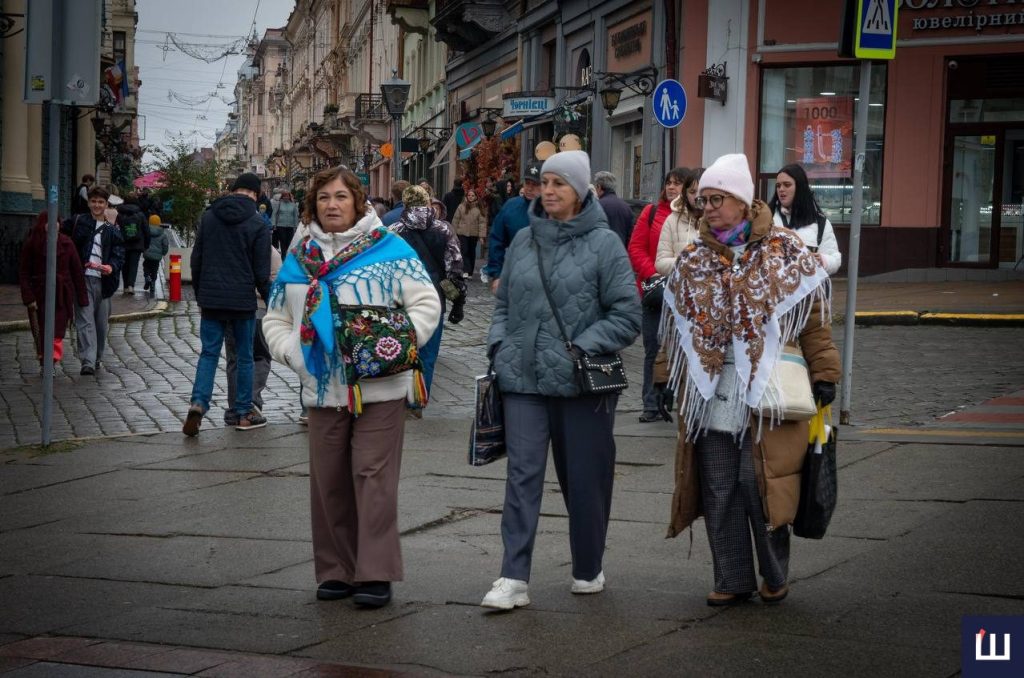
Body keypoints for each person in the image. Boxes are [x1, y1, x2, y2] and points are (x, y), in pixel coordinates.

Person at [659, 153, 840, 607]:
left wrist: (826, 374)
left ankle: (774, 574)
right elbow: (675, 325)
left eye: (717, 198)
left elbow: (814, 318)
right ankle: (732, 577)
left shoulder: (785, 249)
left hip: (770, 388)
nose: (709, 208)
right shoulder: (694, 259)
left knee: (758, 485)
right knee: (719, 487)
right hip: (711, 390)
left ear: (742, 200)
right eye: (702, 201)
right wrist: (664, 378)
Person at [263, 165, 441, 608]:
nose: (332, 205)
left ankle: (375, 572)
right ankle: (337, 570)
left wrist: (391, 347)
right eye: (323, 197)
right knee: (329, 480)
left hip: (380, 385)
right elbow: (275, 317)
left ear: (357, 202)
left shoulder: (389, 248)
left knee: (371, 474)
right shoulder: (300, 257)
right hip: (322, 388)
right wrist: (295, 356)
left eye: (341, 196)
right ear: (312, 205)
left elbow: (425, 303)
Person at [481, 150, 640, 610]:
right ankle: (513, 577)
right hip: (523, 379)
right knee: (522, 476)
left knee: (585, 480)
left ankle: (588, 567)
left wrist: (582, 347)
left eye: (559, 184)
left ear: (581, 190)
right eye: (544, 182)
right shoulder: (523, 241)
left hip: (580, 383)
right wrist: (500, 346)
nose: (548, 191)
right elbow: (504, 305)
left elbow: (626, 314)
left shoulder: (605, 245)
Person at [183, 172, 272, 436]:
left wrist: (201, 295)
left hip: (211, 299)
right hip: (242, 301)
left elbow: (196, 260)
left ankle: (198, 402)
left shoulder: (209, 217)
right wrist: (272, 304)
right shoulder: (258, 224)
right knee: (245, 356)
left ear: (234, 190)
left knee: (209, 353)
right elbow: (261, 273)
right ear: (256, 195)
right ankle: (244, 413)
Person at [389, 185, 466, 397]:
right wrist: (458, 302)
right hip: (433, 297)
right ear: (427, 202)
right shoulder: (444, 229)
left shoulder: (394, 231)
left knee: (402, 347)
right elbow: (455, 268)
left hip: (400, 298)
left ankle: (401, 394)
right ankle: (420, 397)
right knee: (429, 352)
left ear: (405, 203)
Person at [628, 167, 688, 423]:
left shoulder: (692, 217)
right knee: (653, 347)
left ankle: (671, 399)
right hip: (654, 292)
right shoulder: (652, 212)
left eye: (678, 183)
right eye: (669, 183)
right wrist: (652, 274)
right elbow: (636, 247)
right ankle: (650, 405)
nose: (672, 187)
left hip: (684, 295)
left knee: (680, 349)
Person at [67, 187, 125, 376]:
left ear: (106, 204)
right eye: (94, 201)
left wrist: (112, 267)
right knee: (85, 320)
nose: (97, 205)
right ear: (88, 203)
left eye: (101, 202)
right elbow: (61, 236)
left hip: (104, 283)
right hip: (82, 279)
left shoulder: (112, 230)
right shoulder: (78, 221)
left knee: (100, 323)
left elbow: (119, 254)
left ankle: (97, 356)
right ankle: (87, 361)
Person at [19, 211, 88, 365]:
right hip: (39, 295)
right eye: (48, 221)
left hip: (61, 295)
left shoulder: (67, 243)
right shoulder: (32, 244)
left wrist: (82, 298)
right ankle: (45, 360)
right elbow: (24, 272)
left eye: (56, 221)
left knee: (57, 330)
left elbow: (77, 271)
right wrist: (29, 297)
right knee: (41, 331)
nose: (53, 225)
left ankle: (52, 361)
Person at [768, 163, 842, 275]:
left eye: (787, 185)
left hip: (809, 291)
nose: (781, 189)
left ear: (800, 187)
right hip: (775, 290)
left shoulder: (821, 223)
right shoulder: (768, 218)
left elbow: (835, 259)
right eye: (778, 186)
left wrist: (823, 260)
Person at [483, 162, 541, 293]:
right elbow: (496, 240)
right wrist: (497, 274)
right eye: (527, 183)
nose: (530, 188)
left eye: (535, 184)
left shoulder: (551, 209)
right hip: (515, 275)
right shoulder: (511, 207)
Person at [655, 167, 704, 276]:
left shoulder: (720, 219)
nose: (697, 197)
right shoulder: (672, 220)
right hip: (680, 288)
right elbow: (660, 263)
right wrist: (688, 262)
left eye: (702, 191)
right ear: (685, 193)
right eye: (692, 192)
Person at [117, 192, 150, 295]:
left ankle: (126, 286)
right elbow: (146, 230)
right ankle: (131, 285)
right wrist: (146, 245)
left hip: (123, 242)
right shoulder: (140, 214)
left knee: (124, 265)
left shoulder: (120, 213)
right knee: (134, 265)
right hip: (137, 243)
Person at [451, 188, 488, 279]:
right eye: (469, 195)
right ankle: (466, 270)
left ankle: (470, 272)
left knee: (472, 252)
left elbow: (482, 223)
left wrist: (482, 236)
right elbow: (456, 220)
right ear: (466, 196)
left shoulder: (479, 208)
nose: (471, 197)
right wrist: (453, 232)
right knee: (464, 251)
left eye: (472, 195)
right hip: (462, 232)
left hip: (473, 233)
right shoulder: (461, 206)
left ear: (476, 197)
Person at [593, 171, 635, 246]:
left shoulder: (597, 206)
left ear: (599, 187)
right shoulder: (626, 207)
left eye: (596, 186)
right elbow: (631, 235)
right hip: (621, 253)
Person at [142, 214, 169, 294]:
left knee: (146, 267)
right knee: (154, 270)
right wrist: (163, 253)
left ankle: (147, 277)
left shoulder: (146, 232)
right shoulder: (163, 234)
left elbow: (143, 241)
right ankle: (152, 284)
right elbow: (165, 245)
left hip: (147, 254)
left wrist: (143, 250)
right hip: (157, 257)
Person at [270, 190, 298, 254]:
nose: (286, 197)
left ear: (289, 197)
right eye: (284, 196)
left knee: (289, 242)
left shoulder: (293, 205)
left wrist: (296, 226)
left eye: (287, 196)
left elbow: (295, 215)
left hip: (290, 226)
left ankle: (287, 255)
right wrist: (273, 224)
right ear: (282, 197)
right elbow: (274, 214)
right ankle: (283, 255)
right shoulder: (279, 204)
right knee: (283, 241)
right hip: (280, 225)